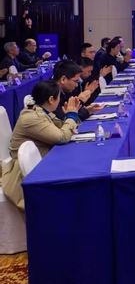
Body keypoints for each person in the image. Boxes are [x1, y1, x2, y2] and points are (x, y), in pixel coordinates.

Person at [1, 80, 81, 209]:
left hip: (42, 160)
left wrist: (72, 116)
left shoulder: (41, 110)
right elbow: (62, 137)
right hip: (23, 173)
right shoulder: (32, 117)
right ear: (51, 99)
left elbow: (61, 127)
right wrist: (71, 116)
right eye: (59, 97)